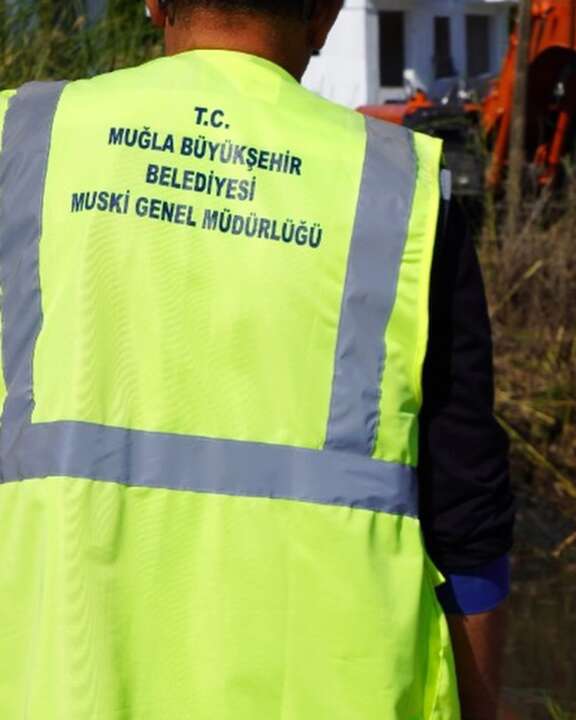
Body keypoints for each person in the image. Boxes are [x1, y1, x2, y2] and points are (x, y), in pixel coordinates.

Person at [0, 1, 515, 718]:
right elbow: (468, 517)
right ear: (327, 13)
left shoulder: (21, 142)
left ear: (153, 2)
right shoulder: (397, 188)